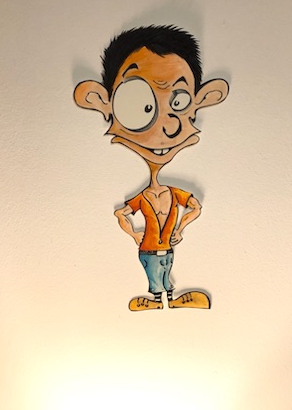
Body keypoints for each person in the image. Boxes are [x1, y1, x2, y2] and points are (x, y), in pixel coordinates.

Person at [73, 25, 229, 311]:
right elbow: (122, 213)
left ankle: (170, 298)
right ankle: (157, 299)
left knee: (165, 271)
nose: (166, 127)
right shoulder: (144, 198)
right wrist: (135, 234)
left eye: (179, 101)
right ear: (101, 102)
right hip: (148, 249)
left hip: (165, 246)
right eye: (140, 104)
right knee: (156, 274)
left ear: (203, 99)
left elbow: (195, 207)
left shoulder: (173, 193)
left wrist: (181, 226)